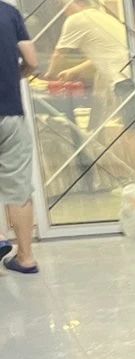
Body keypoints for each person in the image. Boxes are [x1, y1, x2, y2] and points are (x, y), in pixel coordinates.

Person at [47, 0, 131, 130]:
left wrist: (49, 76)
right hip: (131, 75)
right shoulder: (102, 17)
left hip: (123, 80)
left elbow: (59, 55)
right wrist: (74, 70)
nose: (64, 11)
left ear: (77, 2)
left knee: (132, 128)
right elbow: (104, 54)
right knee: (134, 124)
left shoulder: (77, 19)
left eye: (65, 5)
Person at [0, 2, 39, 274]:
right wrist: (16, 76)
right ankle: (26, 258)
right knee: (19, 188)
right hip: (11, 115)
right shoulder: (9, 12)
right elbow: (33, 61)